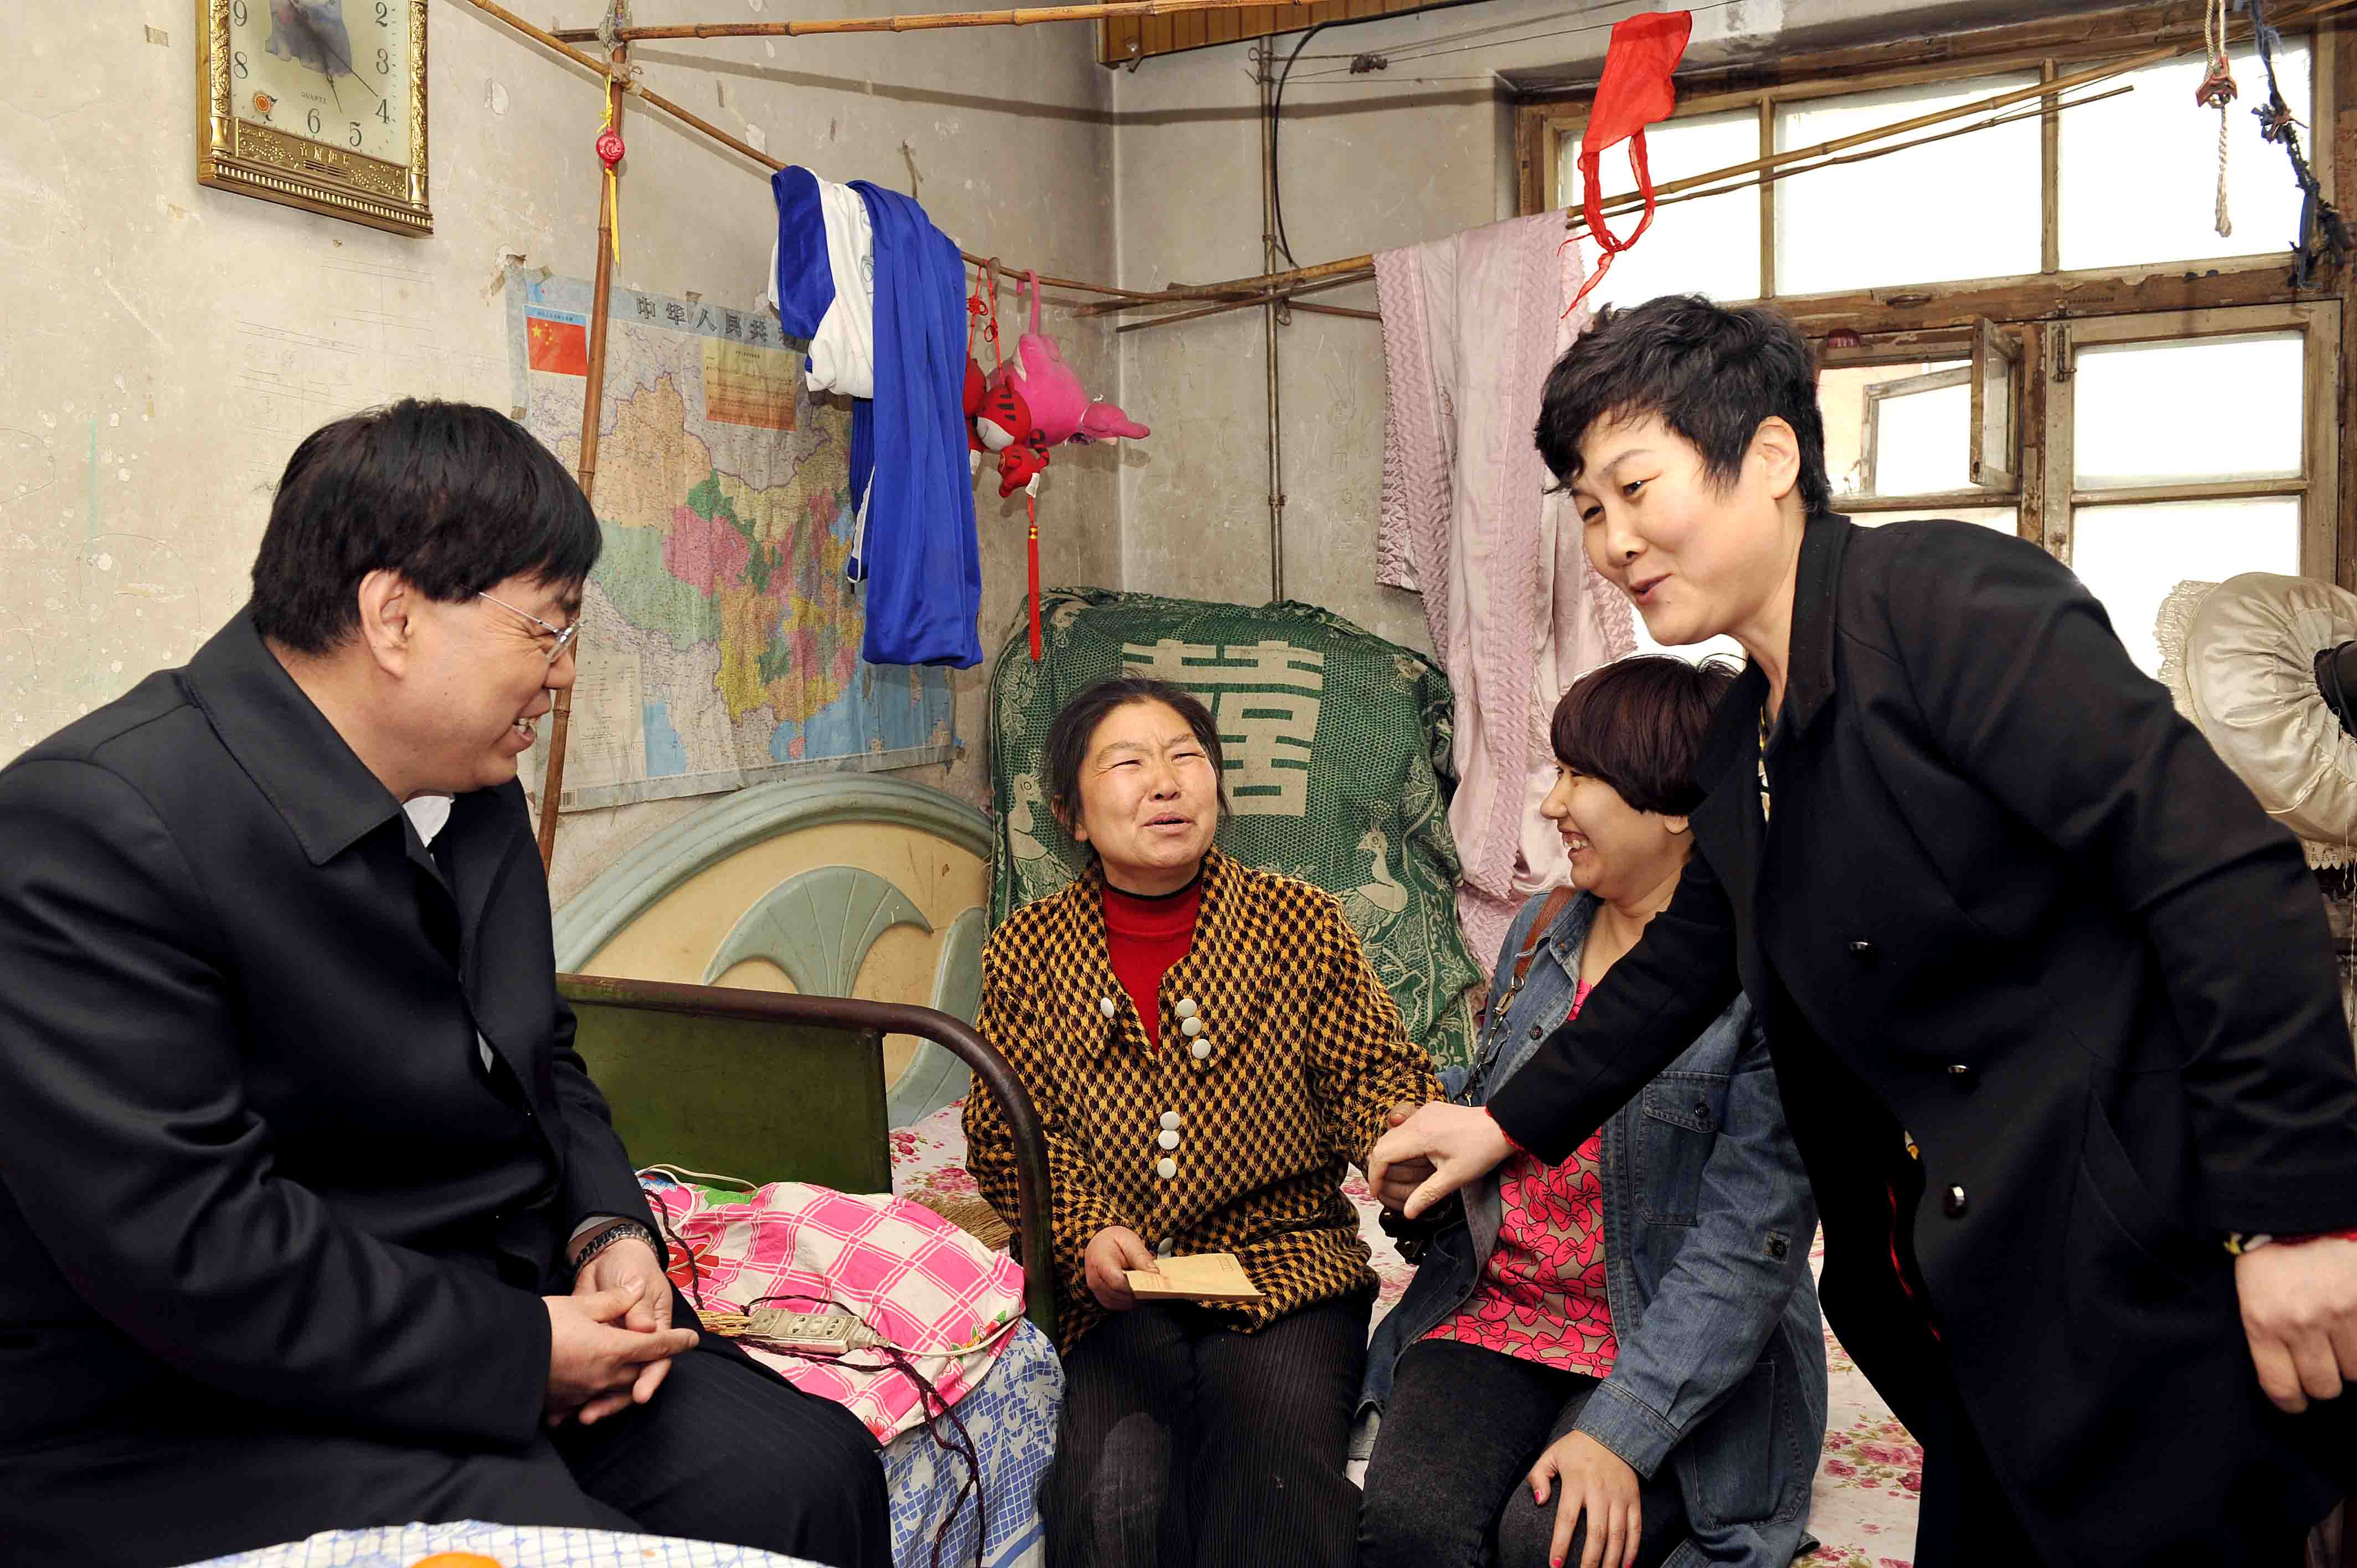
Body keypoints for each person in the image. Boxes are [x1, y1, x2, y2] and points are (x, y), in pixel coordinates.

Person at [1368, 295, 2357, 1565]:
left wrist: (2295, 1216)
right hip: (1960, 1296)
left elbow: (2221, 877)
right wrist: (1502, 1123)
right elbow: (1679, 973)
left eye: (1635, 487)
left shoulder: (1952, 607)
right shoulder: (1745, 736)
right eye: (1589, 509)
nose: (1613, 542)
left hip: (2124, 1261)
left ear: (1769, 458)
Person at [0, 401, 889, 1567]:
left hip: (484, 1312)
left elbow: (538, 1053)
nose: (564, 674)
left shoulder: (468, 788)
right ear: (396, 618)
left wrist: (608, 1227)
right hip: (205, 1407)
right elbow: (195, 1250)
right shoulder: (93, 829)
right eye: (548, 627)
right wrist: (523, 1351)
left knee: (808, 1474)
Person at [963, 675, 1445, 1568]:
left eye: (1186, 756)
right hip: (1115, 1282)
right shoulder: (1028, 948)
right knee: (1112, 1493)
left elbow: (1370, 1076)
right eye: (1128, 763)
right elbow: (1007, 1131)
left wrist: (1400, 1136)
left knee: (1274, 1479)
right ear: (1071, 814)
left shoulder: (1299, 922)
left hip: (1285, 1269)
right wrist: (1086, 1232)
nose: (1166, 782)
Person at [1359, 656, 1824, 1568]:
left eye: (1582, 776)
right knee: (1410, 1529)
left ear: (1681, 805)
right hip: (1501, 1310)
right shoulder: (1540, 931)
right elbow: (1495, 1109)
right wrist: (1424, 1151)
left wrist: (1624, 1428)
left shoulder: (1766, 982)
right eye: (1557, 771)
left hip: (1657, 1333)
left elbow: (1749, 1242)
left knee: (1552, 1542)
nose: (1553, 804)